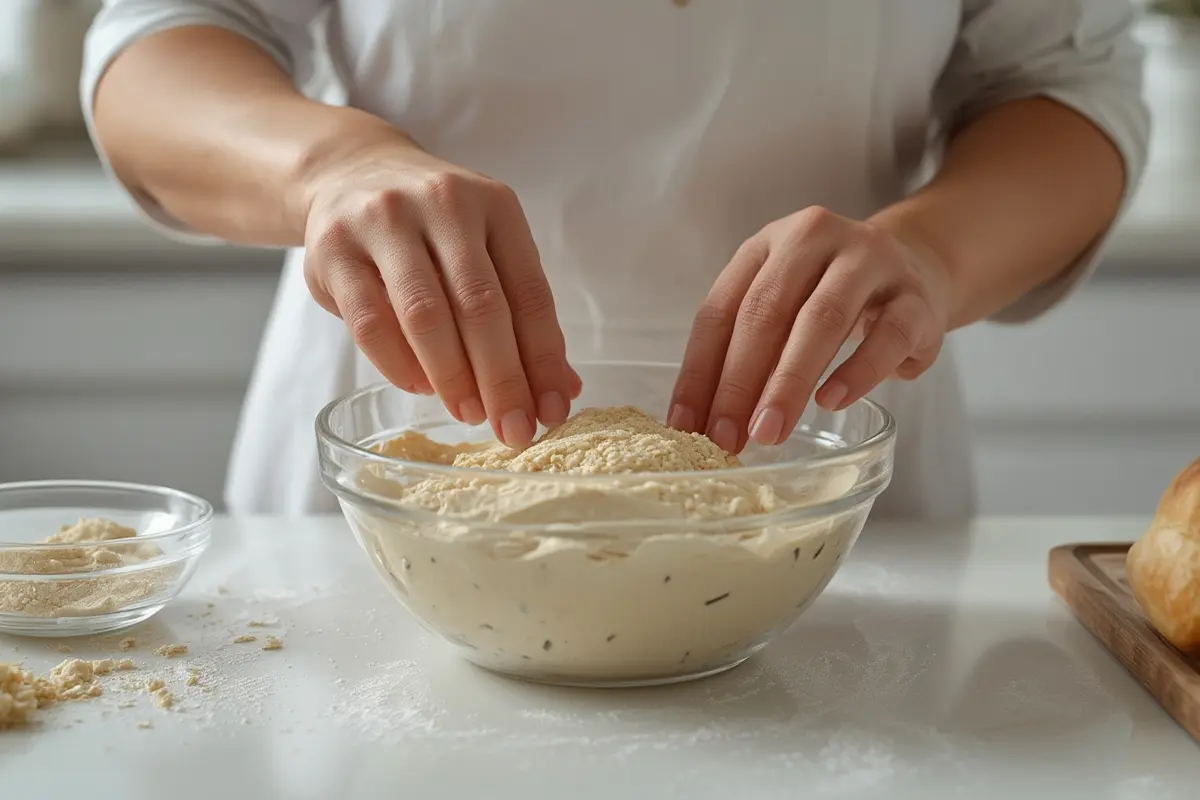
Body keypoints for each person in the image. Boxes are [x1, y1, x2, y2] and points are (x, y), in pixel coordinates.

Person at [82, 1, 1149, 519]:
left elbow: (1064, 83)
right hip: (397, 467)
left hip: (826, 462)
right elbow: (160, 37)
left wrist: (931, 252)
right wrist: (331, 168)